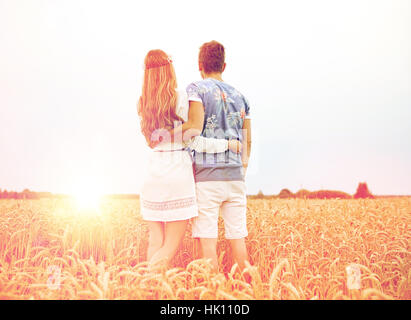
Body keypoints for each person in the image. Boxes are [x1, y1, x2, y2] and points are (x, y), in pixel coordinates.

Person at [137, 49, 241, 268]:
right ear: (169, 70)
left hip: (152, 171)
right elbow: (194, 132)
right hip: (176, 170)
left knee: (156, 241)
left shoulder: (142, 103)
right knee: (170, 247)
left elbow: (150, 141)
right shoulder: (182, 98)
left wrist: (162, 135)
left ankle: (148, 291)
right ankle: (146, 283)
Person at [186, 40, 252, 272]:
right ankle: (252, 291)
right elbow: (247, 141)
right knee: (238, 240)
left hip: (207, 179)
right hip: (235, 178)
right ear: (224, 66)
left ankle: (214, 295)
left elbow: (193, 131)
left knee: (208, 244)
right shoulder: (241, 97)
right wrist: (240, 170)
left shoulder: (195, 89)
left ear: (199, 65)